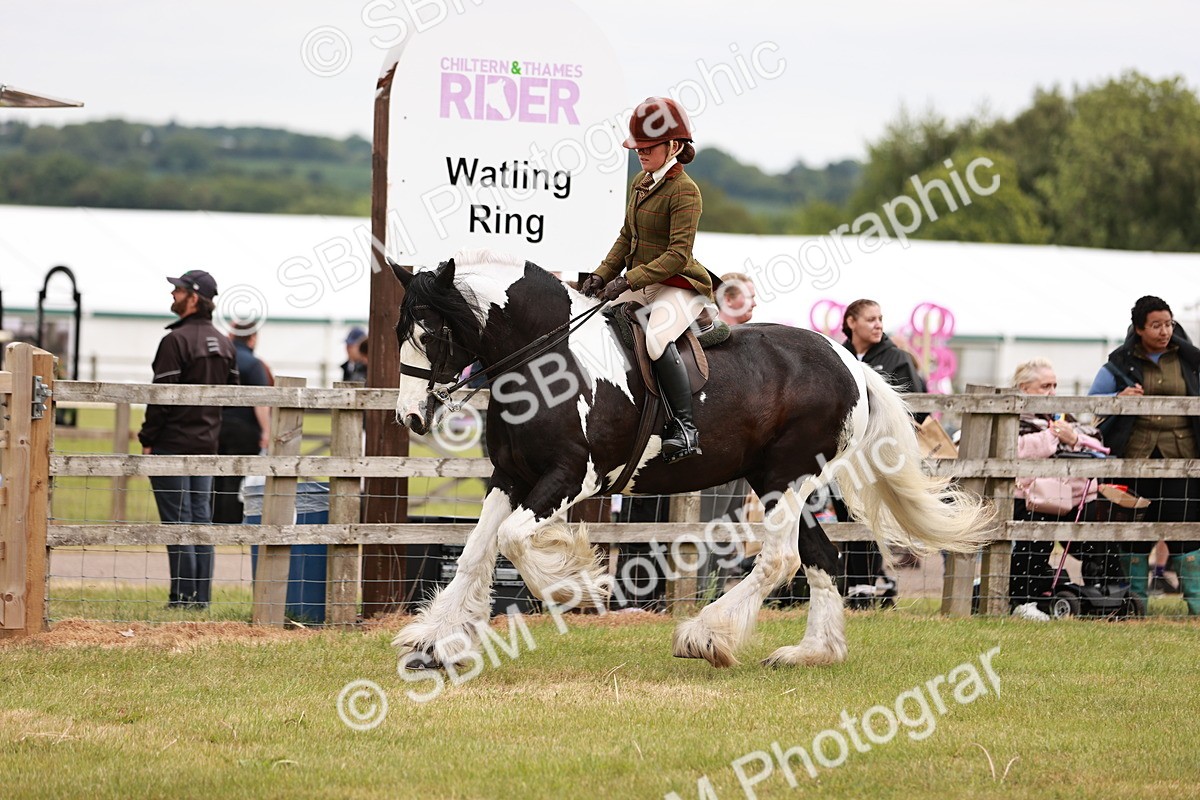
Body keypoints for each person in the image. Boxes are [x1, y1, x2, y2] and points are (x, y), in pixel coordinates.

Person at [580, 96, 715, 464]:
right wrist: (601, 274)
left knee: (656, 339)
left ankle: (685, 429)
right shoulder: (641, 181)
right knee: (594, 325)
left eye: (647, 147)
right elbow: (627, 237)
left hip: (679, 283)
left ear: (673, 146)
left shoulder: (685, 191)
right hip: (642, 281)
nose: (640, 153)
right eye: (637, 147)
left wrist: (627, 281)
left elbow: (677, 255)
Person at [1088, 295, 1200, 615]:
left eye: (1168, 324)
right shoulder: (1120, 363)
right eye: (1156, 325)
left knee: (1187, 531)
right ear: (1139, 328)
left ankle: (1197, 605)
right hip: (1134, 459)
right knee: (1132, 532)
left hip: (1183, 461)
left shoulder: (1190, 361)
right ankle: (1134, 605)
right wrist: (1118, 397)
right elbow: (1093, 400)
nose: (1164, 331)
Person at [138, 270, 239, 609]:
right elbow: (234, 396)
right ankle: (201, 600)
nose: (173, 296)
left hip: (172, 445)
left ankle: (181, 598)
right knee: (201, 523)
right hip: (206, 446)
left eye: (178, 291)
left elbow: (161, 398)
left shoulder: (174, 341)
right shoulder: (225, 344)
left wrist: (147, 437)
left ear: (194, 298)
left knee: (177, 524)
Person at [836, 299, 928, 608]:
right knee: (843, 512)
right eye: (871, 319)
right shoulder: (836, 354)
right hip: (841, 451)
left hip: (877, 451)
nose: (878, 324)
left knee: (868, 513)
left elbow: (918, 407)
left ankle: (865, 583)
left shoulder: (897, 358)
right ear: (851, 322)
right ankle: (852, 582)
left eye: (880, 319)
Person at [1009, 359, 1109, 620]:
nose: (1052, 391)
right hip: (1030, 496)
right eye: (1045, 386)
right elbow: (1018, 449)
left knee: (1098, 538)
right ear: (1024, 388)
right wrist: (1056, 436)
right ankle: (1022, 602)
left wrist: (1074, 438)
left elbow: (1096, 441)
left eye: (1054, 385)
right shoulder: (1011, 415)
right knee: (1034, 542)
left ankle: (1100, 594)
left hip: (1072, 496)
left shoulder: (1062, 414)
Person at [212, 322, 272, 526]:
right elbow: (260, 402)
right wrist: (267, 430)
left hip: (215, 427)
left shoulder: (219, 360)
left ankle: (212, 521)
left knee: (214, 476)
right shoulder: (254, 364)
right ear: (252, 338)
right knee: (236, 478)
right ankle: (231, 524)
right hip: (244, 429)